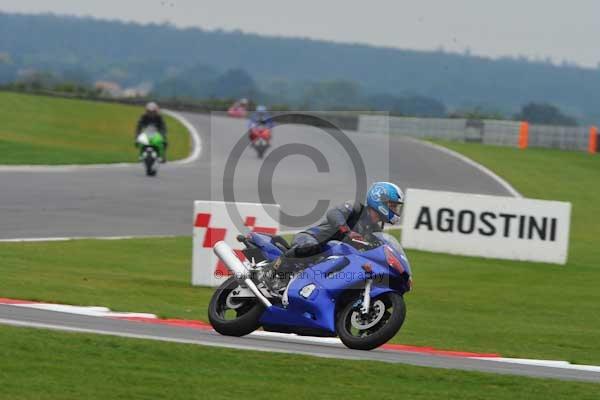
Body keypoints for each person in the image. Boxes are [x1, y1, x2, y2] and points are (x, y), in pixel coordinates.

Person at [265, 182, 404, 290]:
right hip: (312, 238)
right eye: (392, 206)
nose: (395, 210)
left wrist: (401, 272)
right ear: (379, 200)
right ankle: (274, 268)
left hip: (332, 257)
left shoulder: (375, 231)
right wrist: (347, 231)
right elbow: (333, 214)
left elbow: (378, 252)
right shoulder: (356, 208)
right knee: (311, 247)